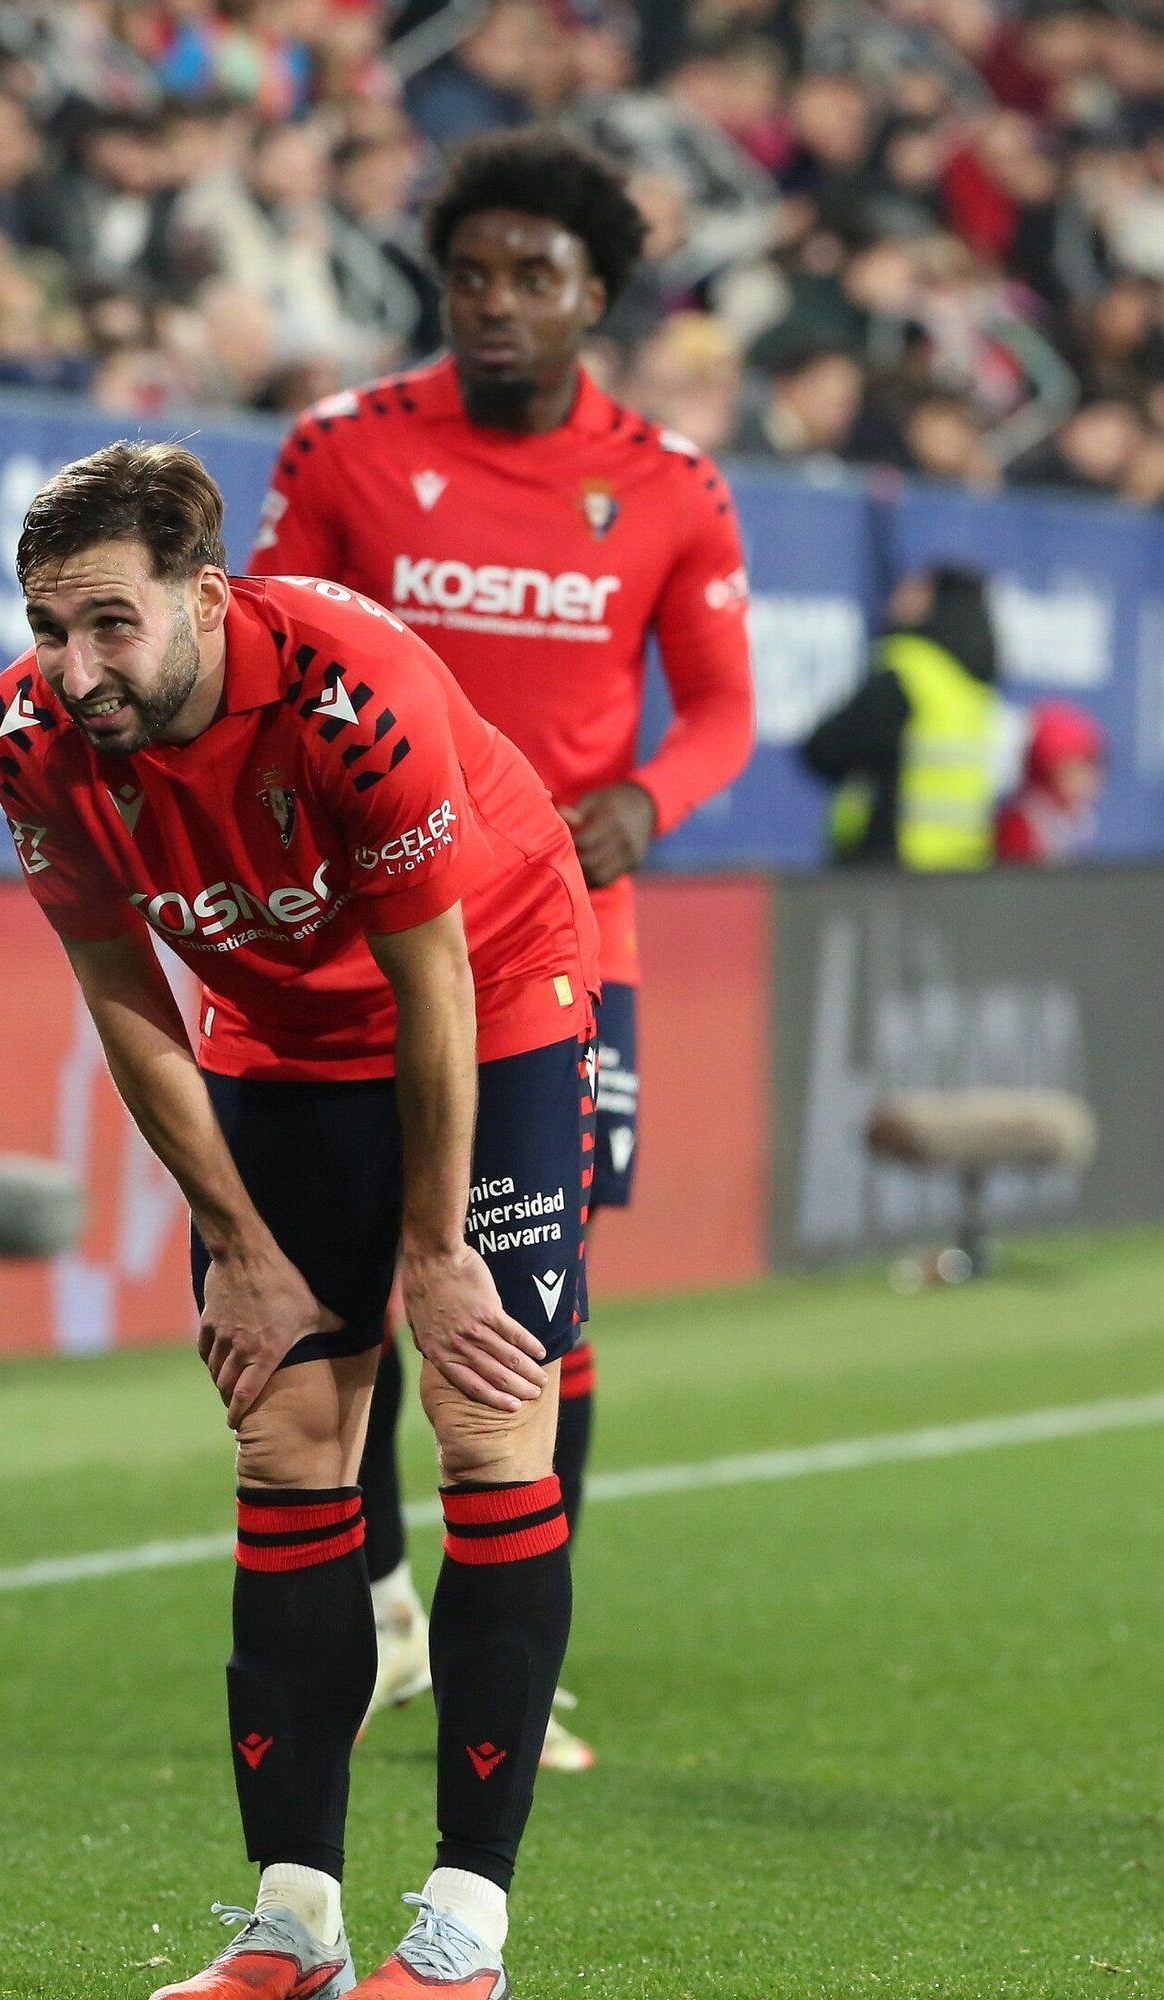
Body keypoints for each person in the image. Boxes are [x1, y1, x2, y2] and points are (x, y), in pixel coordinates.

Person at [0, 441, 599, 2000]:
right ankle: (294, 1925)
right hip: (274, 1029)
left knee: (482, 1420)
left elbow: (433, 987)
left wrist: (438, 1247)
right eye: (53, 628)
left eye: (111, 625)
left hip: (494, 989)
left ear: (201, 596)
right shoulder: (27, 733)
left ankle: (464, 1930)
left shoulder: (346, 690)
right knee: (283, 1436)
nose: (75, 668)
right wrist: (240, 1246)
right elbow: (125, 996)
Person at [248, 127, 755, 1771]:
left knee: (533, 1298)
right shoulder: (344, 450)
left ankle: (510, 1645)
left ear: (593, 295)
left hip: (563, 948)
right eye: (468, 275)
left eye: (530, 277)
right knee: (362, 1278)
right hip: (362, 941)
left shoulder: (672, 486)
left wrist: (646, 800)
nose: (492, 304)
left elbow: (726, 709)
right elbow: (262, 661)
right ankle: (385, 1597)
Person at [802, 564, 1010, 869]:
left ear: (934, 601)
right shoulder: (975, 688)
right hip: (962, 865)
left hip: (890, 862)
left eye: (913, 590)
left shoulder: (908, 672)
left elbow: (823, 750)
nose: (896, 599)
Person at [996, 700, 1106, 864]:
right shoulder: (1020, 825)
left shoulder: (1080, 818)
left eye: (1090, 764)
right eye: (1071, 768)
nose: (1087, 778)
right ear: (1047, 771)